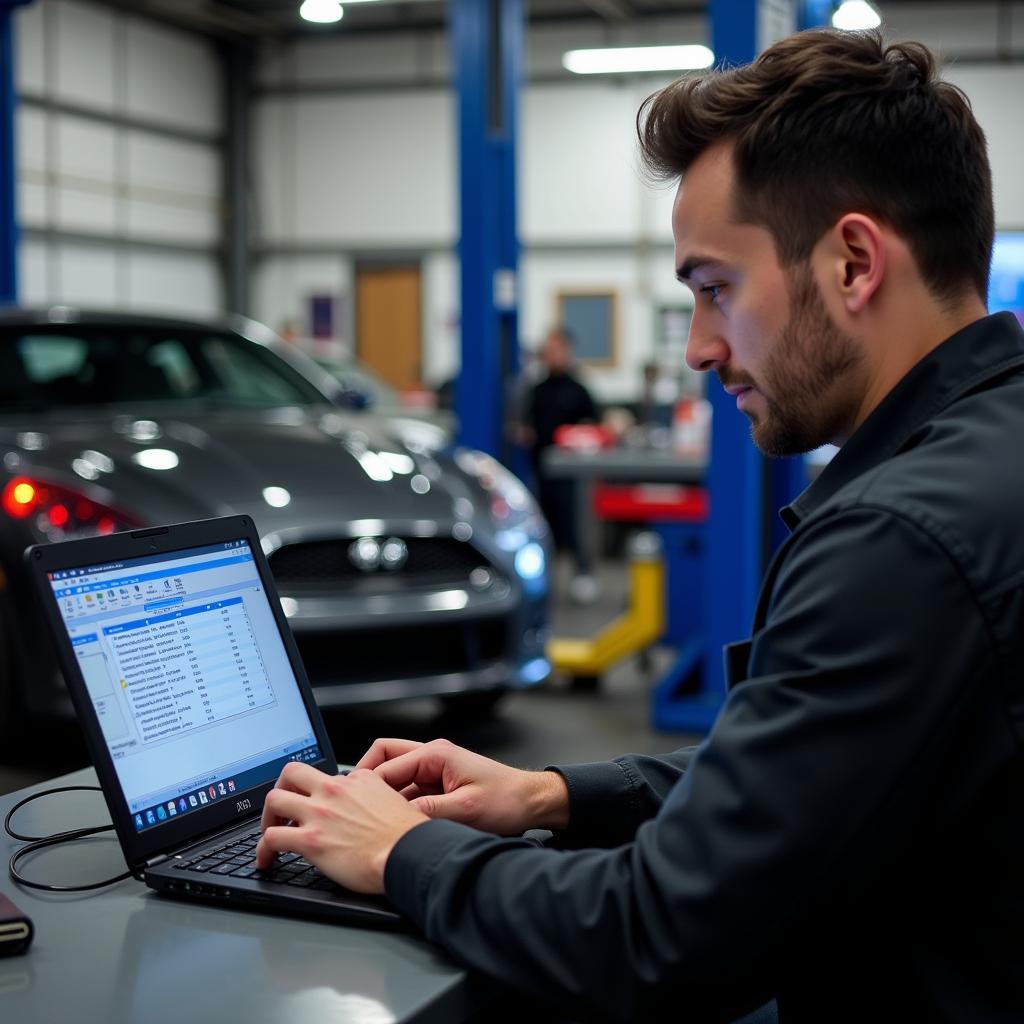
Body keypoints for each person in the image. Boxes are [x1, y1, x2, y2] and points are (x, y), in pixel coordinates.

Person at [255, 28, 1024, 1022]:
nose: (701, 347)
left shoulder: (901, 538)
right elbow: (826, 773)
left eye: (715, 289)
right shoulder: (989, 453)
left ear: (851, 262)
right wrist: (554, 795)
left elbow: (657, 936)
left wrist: (402, 850)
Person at [521, 326, 600, 603]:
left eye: (557, 350)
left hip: (573, 475)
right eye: (549, 350)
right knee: (545, 526)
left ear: (568, 351)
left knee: (575, 524)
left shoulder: (578, 390)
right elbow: (526, 423)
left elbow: (593, 425)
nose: (552, 355)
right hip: (541, 471)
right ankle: (544, 581)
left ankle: (583, 574)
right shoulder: (536, 390)